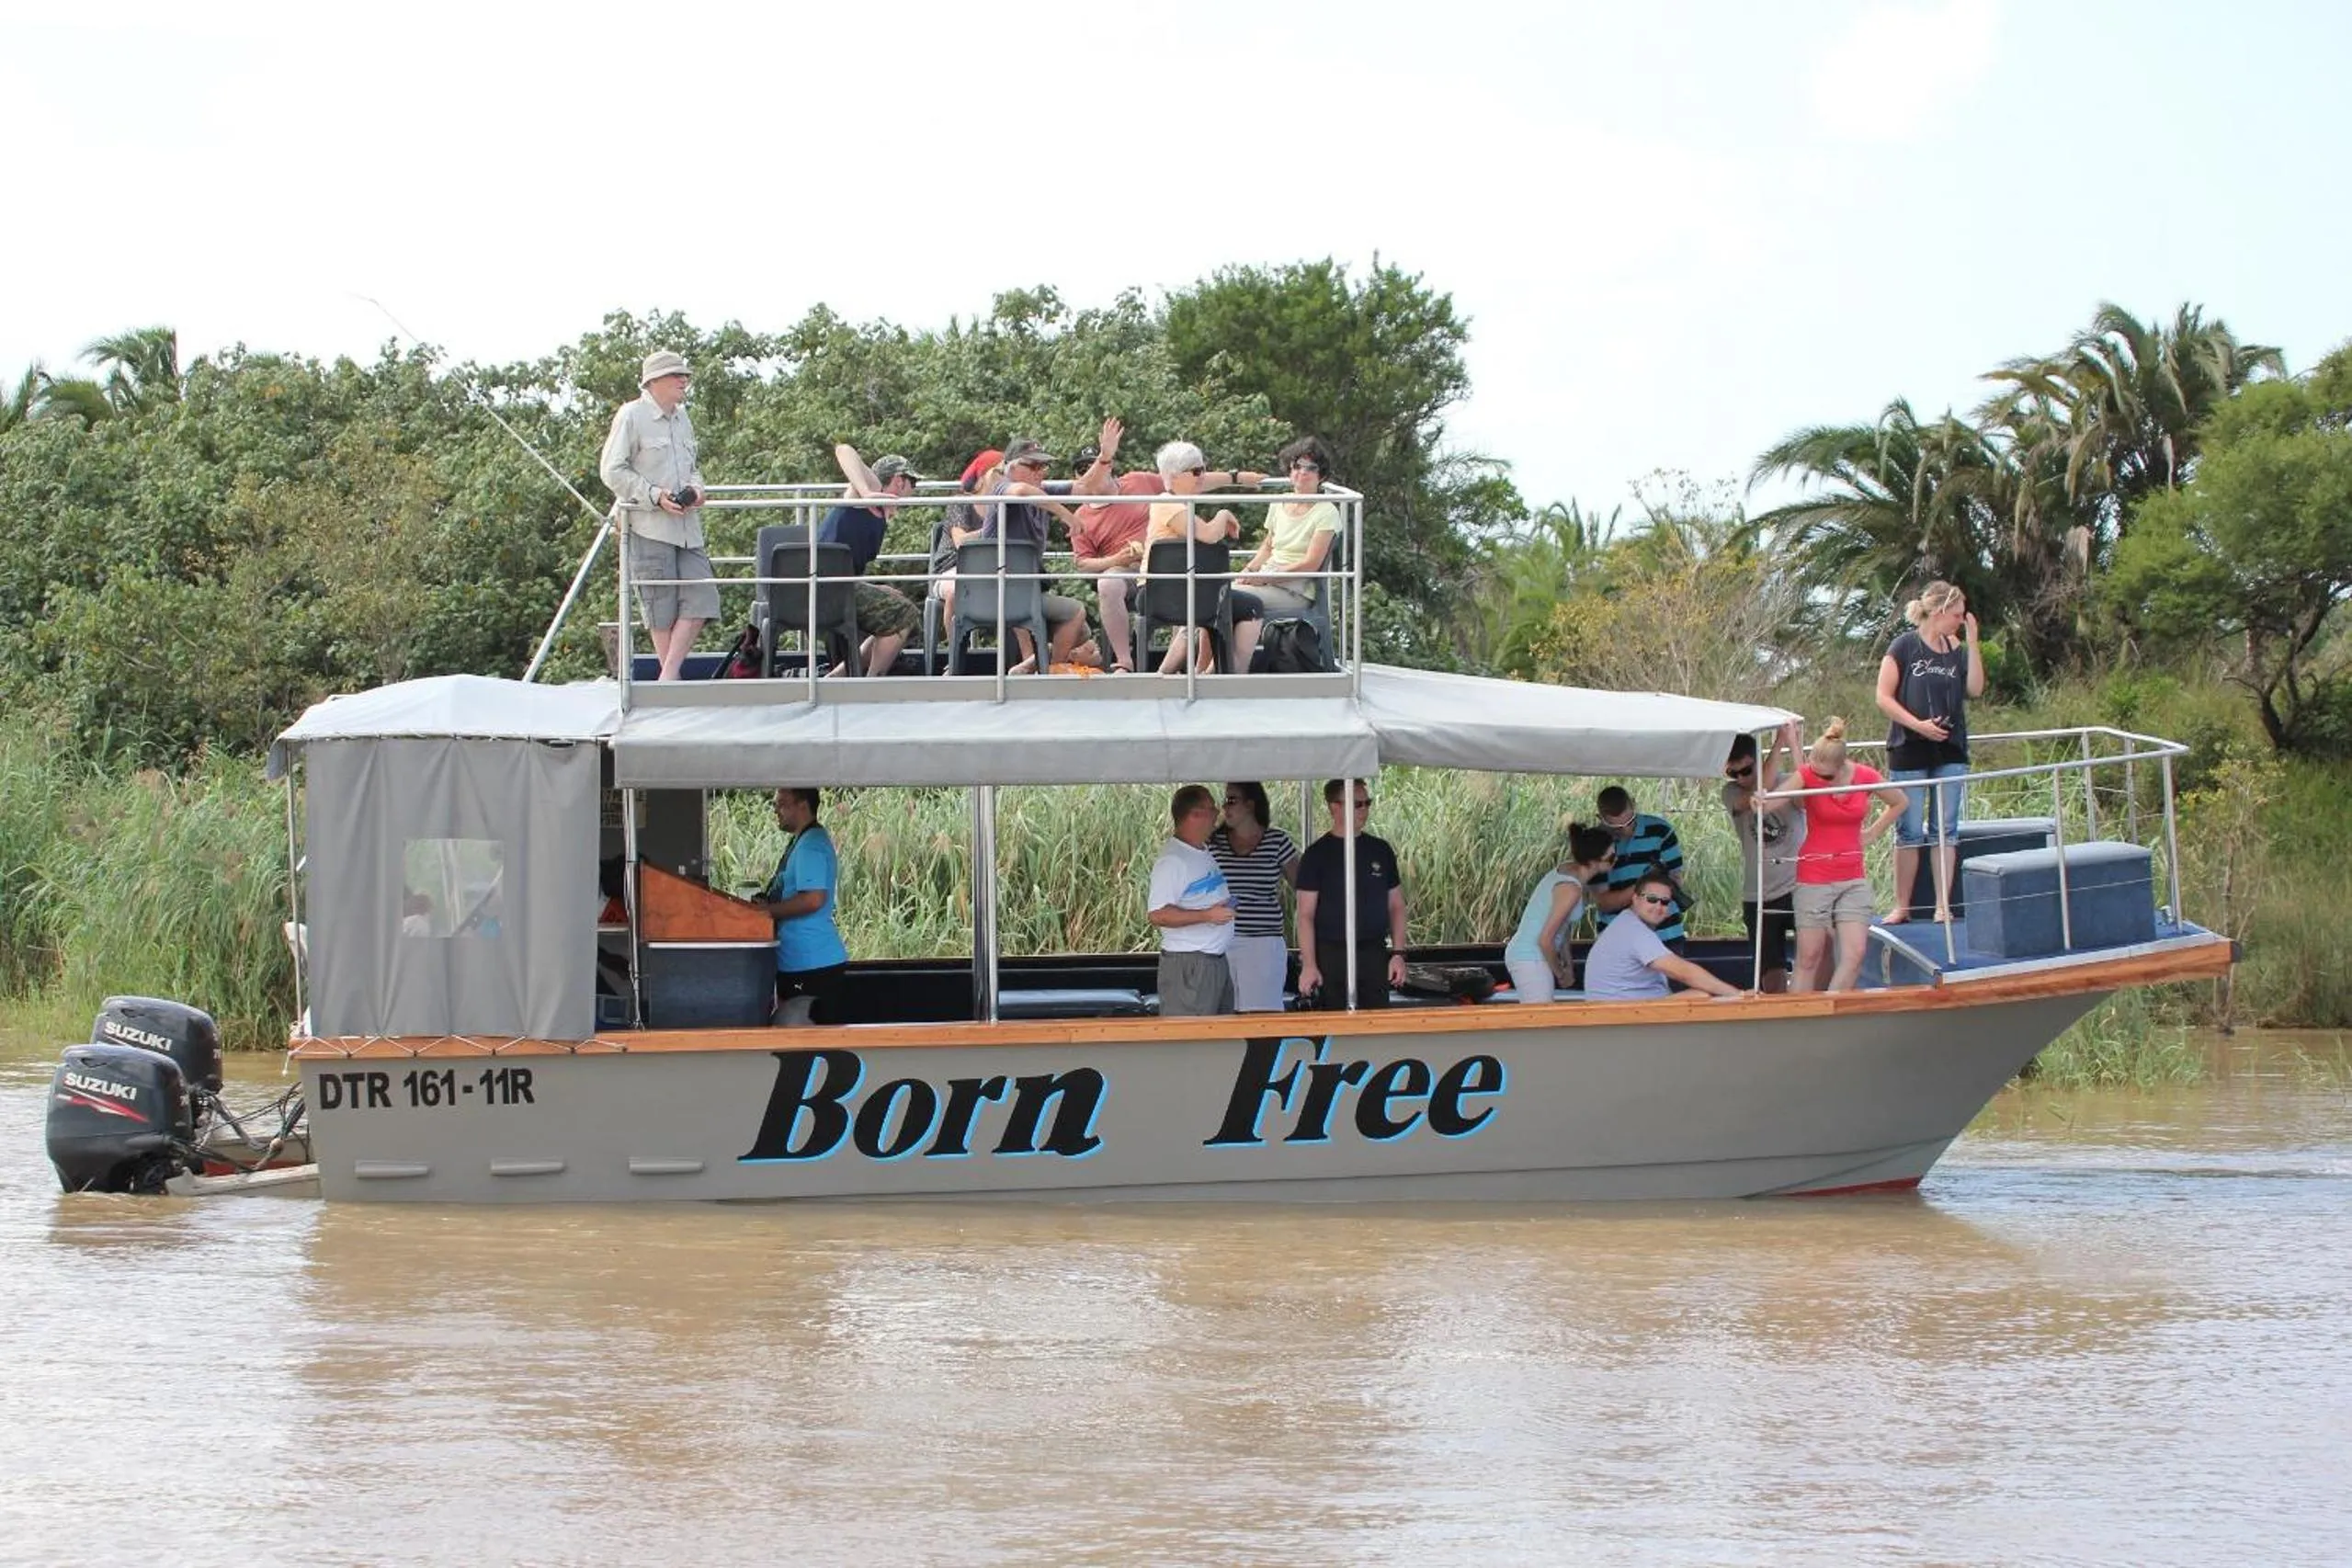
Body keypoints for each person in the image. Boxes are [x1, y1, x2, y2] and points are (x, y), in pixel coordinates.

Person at [599, 350, 720, 680]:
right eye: (676, 375)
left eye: (685, 375)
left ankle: (667, 678)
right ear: (654, 381)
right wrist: (654, 495)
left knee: (702, 596)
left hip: (687, 528)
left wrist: (696, 489)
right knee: (660, 609)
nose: (684, 380)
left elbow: (692, 468)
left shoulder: (683, 418)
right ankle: (671, 681)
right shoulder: (631, 416)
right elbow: (611, 470)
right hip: (648, 527)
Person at [1876, 580, 1984, 923]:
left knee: (1945, 828)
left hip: (1949, 748)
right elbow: (1883, 697)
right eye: (1957, 615)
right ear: (1939, 612)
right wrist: (1917, 725)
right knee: (1909, 829)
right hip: (1910, 747)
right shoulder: (1904, 646)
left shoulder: (1955, 647)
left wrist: (1973, 644)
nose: (1960, 620)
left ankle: (1942, 905)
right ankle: (1902, 906)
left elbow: (1975, 689)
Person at [1775, 718, 1909, 994]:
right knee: (1809, 957)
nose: (1820, 780)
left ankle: (1832, 1006)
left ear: (1842, 767)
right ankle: (1798, 1013)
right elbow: (1780, 797)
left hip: (1852, 875)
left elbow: (1899, 801)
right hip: (1815, 875)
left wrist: (1872, 833)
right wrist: (1760, 800)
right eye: (1816, 774)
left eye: (1826, 777)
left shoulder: (1864, 776)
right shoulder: (1810, 775)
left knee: (1855, 954)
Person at [978, 427, 1119, 670]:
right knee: (1076, 612)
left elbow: (1084, 487)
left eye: (1043, 466)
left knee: (1082, 632)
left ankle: (1031, 666)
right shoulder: (1002, 488)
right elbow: (1021, 492)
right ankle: (1050, 672)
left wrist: (1104, 457)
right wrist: (1066, 515)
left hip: (1023, 588)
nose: (1040, 472)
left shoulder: (1042, 491)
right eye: (1033, 466)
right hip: (999, 589)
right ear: (1011, 467)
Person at [1145, 440, 1266, 674]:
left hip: (1176, 591)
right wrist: (1224, 514)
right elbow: (1209, 535)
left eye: (1203, 469)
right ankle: (1234, 675)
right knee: (1252, 606)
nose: (1203, 476)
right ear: (1174, 476)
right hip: (1165, 594)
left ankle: (1198, 673)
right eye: (1197, 471)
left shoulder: (1174, 499)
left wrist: (1238, 478)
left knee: (1210, 602)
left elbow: (1203, 481)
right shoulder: (1169, 506)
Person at [1294, 778, 1406, 1009]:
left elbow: (1396, 905)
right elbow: (1305, 915)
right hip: (1330, 955)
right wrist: (1309, 965)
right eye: (1357, 804)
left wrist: (1398, 954)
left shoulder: (1381, 850)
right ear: (1334, 807)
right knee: (1333, 1021)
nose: (1364, 810)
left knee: (1376, 1022)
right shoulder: (1316, 855)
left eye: (1367, 803)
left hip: (1373, 952)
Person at [817, 446, 925, 676]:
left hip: (839, 585)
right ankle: (872, 681)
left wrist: (873, 588)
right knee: (904, 614)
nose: (913, 491)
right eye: (913, 483)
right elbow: (843, 450)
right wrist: (866, 492)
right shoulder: (865, 495)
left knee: (904, 612)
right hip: (825, 588)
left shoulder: (880, 511)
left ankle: (839, 676)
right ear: (899, 481)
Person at [1721, 727, 1807, 993]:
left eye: (1746, 770)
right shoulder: (1730, 793)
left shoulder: (1789, 782)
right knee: (1770, 969)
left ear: (1759, 760)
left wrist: (1790, 743)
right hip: (1758, 894)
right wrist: (1779, 741)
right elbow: (1760, 795)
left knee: (1812, 955)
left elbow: (1808, 795)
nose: (1740, 778)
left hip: (1799, 887)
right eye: (1733, 773)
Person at [1207, 780, 1300, 1011]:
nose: (1225, 807)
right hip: (1221, 941)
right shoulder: (1213, 843)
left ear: (1250, 804)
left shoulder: (1277, 841)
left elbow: (1303, 886)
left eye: (1232, 800)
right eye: (1225, 800)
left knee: (1262, 1016)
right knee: (1222, 1014)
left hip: (1263, 943)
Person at [1583, 873, 1748, 1002]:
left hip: (1627, 1010)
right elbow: (1684, 972)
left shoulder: (1627, 923)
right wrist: (1738, 995)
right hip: (1624, 1016)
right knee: (1700, 996)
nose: (1658, 906)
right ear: (1635, 899)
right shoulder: (1633, 931)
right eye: (1651, 899)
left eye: (1664, 902)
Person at [1147, 784, 1236, 1017]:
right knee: (1192, 1033)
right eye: (1211, 808)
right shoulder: (1173, 861)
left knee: (1221, 1032)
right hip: (1190, 965)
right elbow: (1158, 914)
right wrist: (1207, 915)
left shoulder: (1201, 852)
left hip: (1214, 961)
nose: (1217, 813)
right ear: (1195, 815)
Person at [1502, 823, 1617, 1002]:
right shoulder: (1571, 889)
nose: (1616, 860)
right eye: (1611, 857)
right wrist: (1560, 973)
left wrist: (1568, 964)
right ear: (1594, 861)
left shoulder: (1568, 870)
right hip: (1530, 957)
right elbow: (1545, 940)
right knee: (1540, 1016)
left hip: (1531, 955)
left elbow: (1563, 927)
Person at [762, 787, 848, 1025]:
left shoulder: (811, 845)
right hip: (798, 961)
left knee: (806, 1037)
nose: (776, 810)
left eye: (782, 804)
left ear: (803, 805)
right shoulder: (801, 841)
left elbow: (813, 899)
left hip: (812, 963)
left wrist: (764, 912)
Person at [1234, 436, 1342, 619]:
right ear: (1290, 471)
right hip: (1267, 579)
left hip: (1295, 591)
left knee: (1226, 598)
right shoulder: (1279, 502)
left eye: (1311, 468)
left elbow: (1311, 564)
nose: (1303, 472)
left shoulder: (1327, 511)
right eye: (1297, 466)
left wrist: (1265, 578)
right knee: (1213, 596)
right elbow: (1268, 547)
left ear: (1321, 476)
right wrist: (1248, 571)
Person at [1071, 467, 1165, 673]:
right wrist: (1116, 560)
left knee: (1193, 572)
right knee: (1107, 583)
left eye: (1097, 465)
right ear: (1078, 478)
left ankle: (1180, 665)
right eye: (1084, 469)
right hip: (1128, 573)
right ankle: (1124, 662)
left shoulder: (1138, 481)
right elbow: (1082, 563)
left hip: (1167, 566)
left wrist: (1234, 477)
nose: (1092, 472)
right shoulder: (1081, 516)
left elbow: (1185, 479)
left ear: (1109, 465)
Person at [1590, 787, 1688, 949]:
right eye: (1616, 827)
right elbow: (1604, 903)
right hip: (1617, 939)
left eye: (1630, 821)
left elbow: (1676, 882)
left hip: (1665, 935)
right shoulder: (1595, 842)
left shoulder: (1661, 830)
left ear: (1634, 805)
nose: (1626, 830)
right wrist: (1644, 885)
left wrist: (1651, 888)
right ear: (1600, 818)